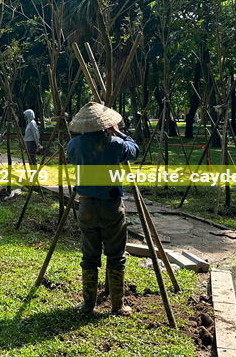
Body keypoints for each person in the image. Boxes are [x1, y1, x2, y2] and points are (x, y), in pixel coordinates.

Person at [66, 102, 139, 315]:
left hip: (86, 205)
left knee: (89, 257)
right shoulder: (116, 144)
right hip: (111, 206)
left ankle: (88, 304)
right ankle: (118, 306)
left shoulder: (74, 145)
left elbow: (72, 158)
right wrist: (119, 133)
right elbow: (134, 150)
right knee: (116, 256)